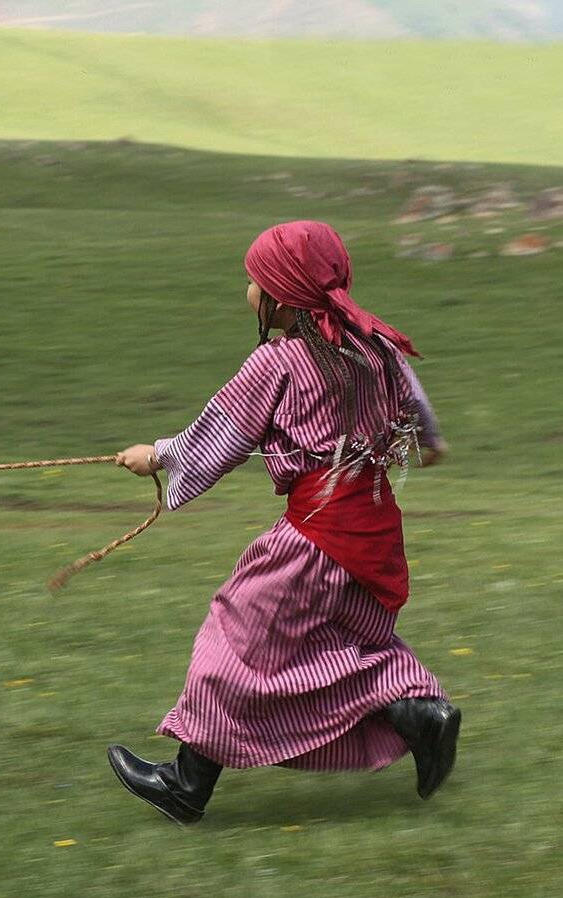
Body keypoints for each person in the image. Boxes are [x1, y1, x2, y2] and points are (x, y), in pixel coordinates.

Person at [107, 220, 458, 826]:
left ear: (282, 296)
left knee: (233, 636)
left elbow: (219, 433)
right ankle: (419, 712)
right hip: (374, 532)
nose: (247, 290)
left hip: (315, 536)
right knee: (338, 641)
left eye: (254, 281)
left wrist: (156, 456)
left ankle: (186, 785)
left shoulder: (278, 362)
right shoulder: (374, 347)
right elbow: (419, 411)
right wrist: (427, 442)